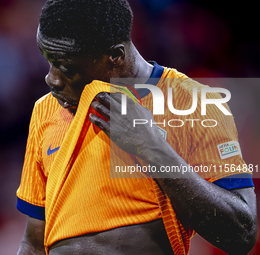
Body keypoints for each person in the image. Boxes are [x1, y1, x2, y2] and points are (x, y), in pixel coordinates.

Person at [16, 0, 257, 254]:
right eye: (49, 60)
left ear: (115, 57)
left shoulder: (192, 102)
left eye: (67, 67)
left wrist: (149, 145)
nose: (51, 78)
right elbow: (33, 242)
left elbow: (241, 233)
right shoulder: (45, 110)